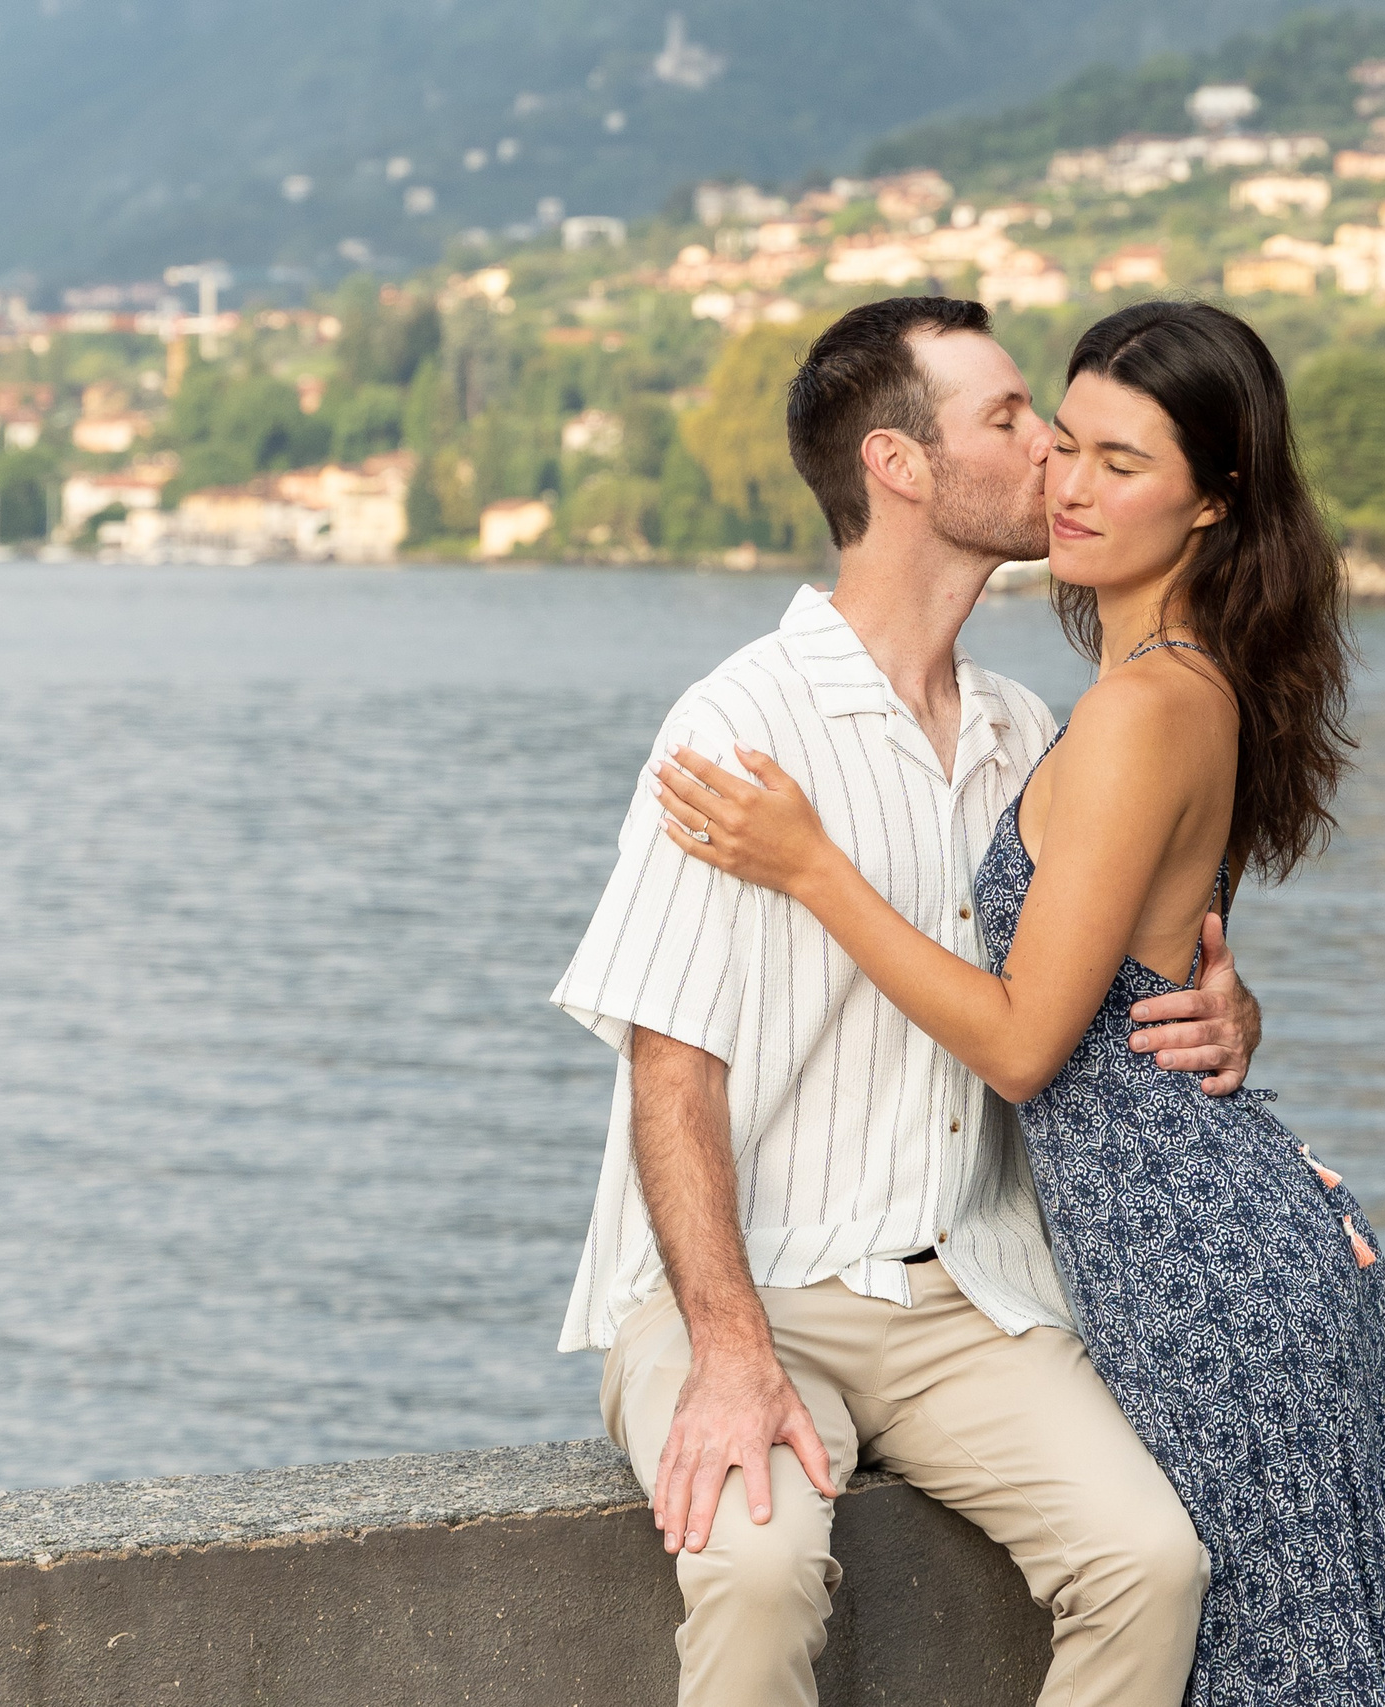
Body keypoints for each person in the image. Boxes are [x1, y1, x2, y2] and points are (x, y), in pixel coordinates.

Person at [651, 301, 1385, 1705]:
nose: (1065, 479)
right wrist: (1227, 1012)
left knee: (1253, 1645)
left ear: (1214, 502)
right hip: (1165, 1239)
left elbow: (1028, 1043)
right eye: (1057, 439)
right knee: (1283, 1648)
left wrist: (812, 867)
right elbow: (1161, 963)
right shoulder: (1097, 703)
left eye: (1118, 462)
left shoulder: (1134, 708)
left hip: (1188, 1258)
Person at [549, 294, 1268, 1707]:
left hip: (969, 1293)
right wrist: (729, 1350)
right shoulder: (738, 725)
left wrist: (1229, 1015)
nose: (1052, 448)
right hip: (744, 1286)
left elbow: (1077, 998)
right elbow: (671, 1073)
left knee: (1152, 1564)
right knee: (758, 1570)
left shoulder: (1024, 731)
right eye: (1011, 418)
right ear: (898, 464)